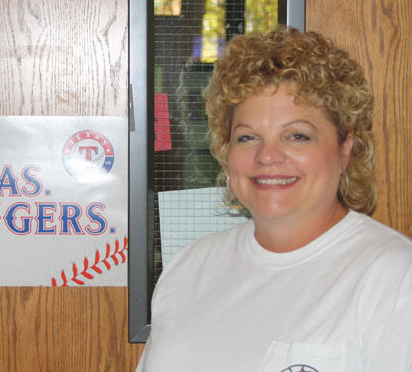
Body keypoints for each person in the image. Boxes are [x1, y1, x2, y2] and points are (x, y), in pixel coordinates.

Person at [136, 27, 412, 372]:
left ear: (345, 150)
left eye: (297, 135)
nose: (267, 155)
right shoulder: (190, 266)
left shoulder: (394, 277)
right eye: (248, 136)